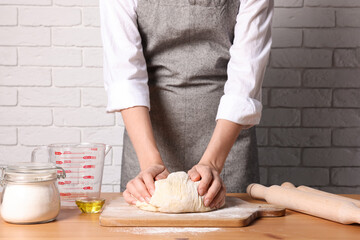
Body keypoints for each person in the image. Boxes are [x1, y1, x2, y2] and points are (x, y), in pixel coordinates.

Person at [99, 0, 274, 209]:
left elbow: (246, 73)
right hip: (148, 137)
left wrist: (212, 163)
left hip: (227, 139)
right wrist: (150, 163)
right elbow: (124, 75)